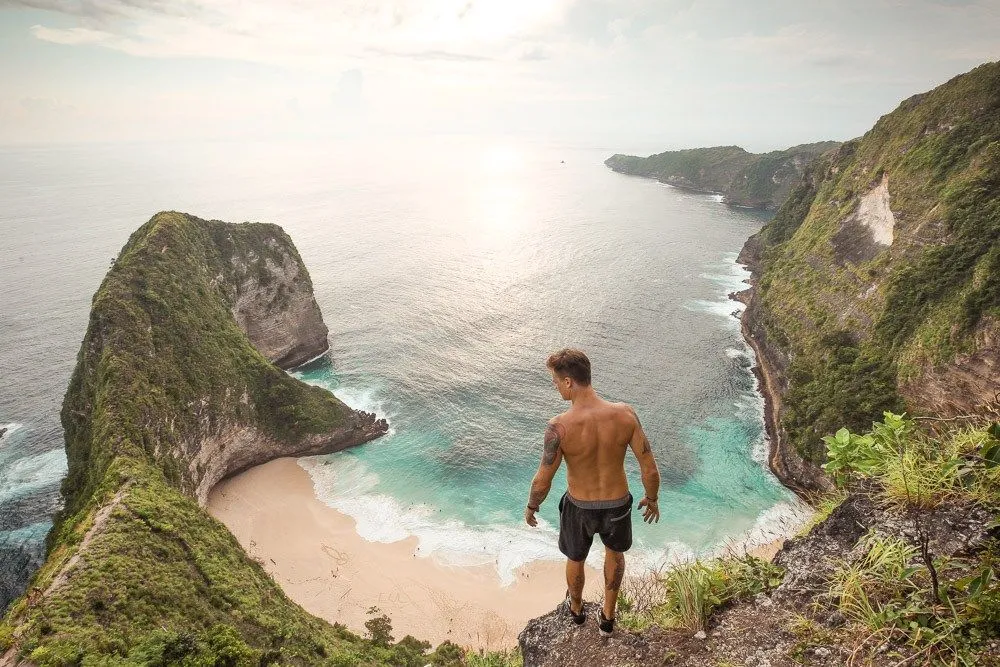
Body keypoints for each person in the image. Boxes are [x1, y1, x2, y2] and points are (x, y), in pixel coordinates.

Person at [524, 348, 661, 636]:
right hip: (617, 504)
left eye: (556, 381)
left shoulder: (559, 427)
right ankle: (608, 617)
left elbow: (543, 479)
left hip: (580, 507)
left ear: (569, 382)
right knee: (615, 554)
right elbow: (649, 467)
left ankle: (576, 611)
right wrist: (652, 498)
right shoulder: (625, 415)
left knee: (576, 558)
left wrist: (532, 506)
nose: (555, 387)